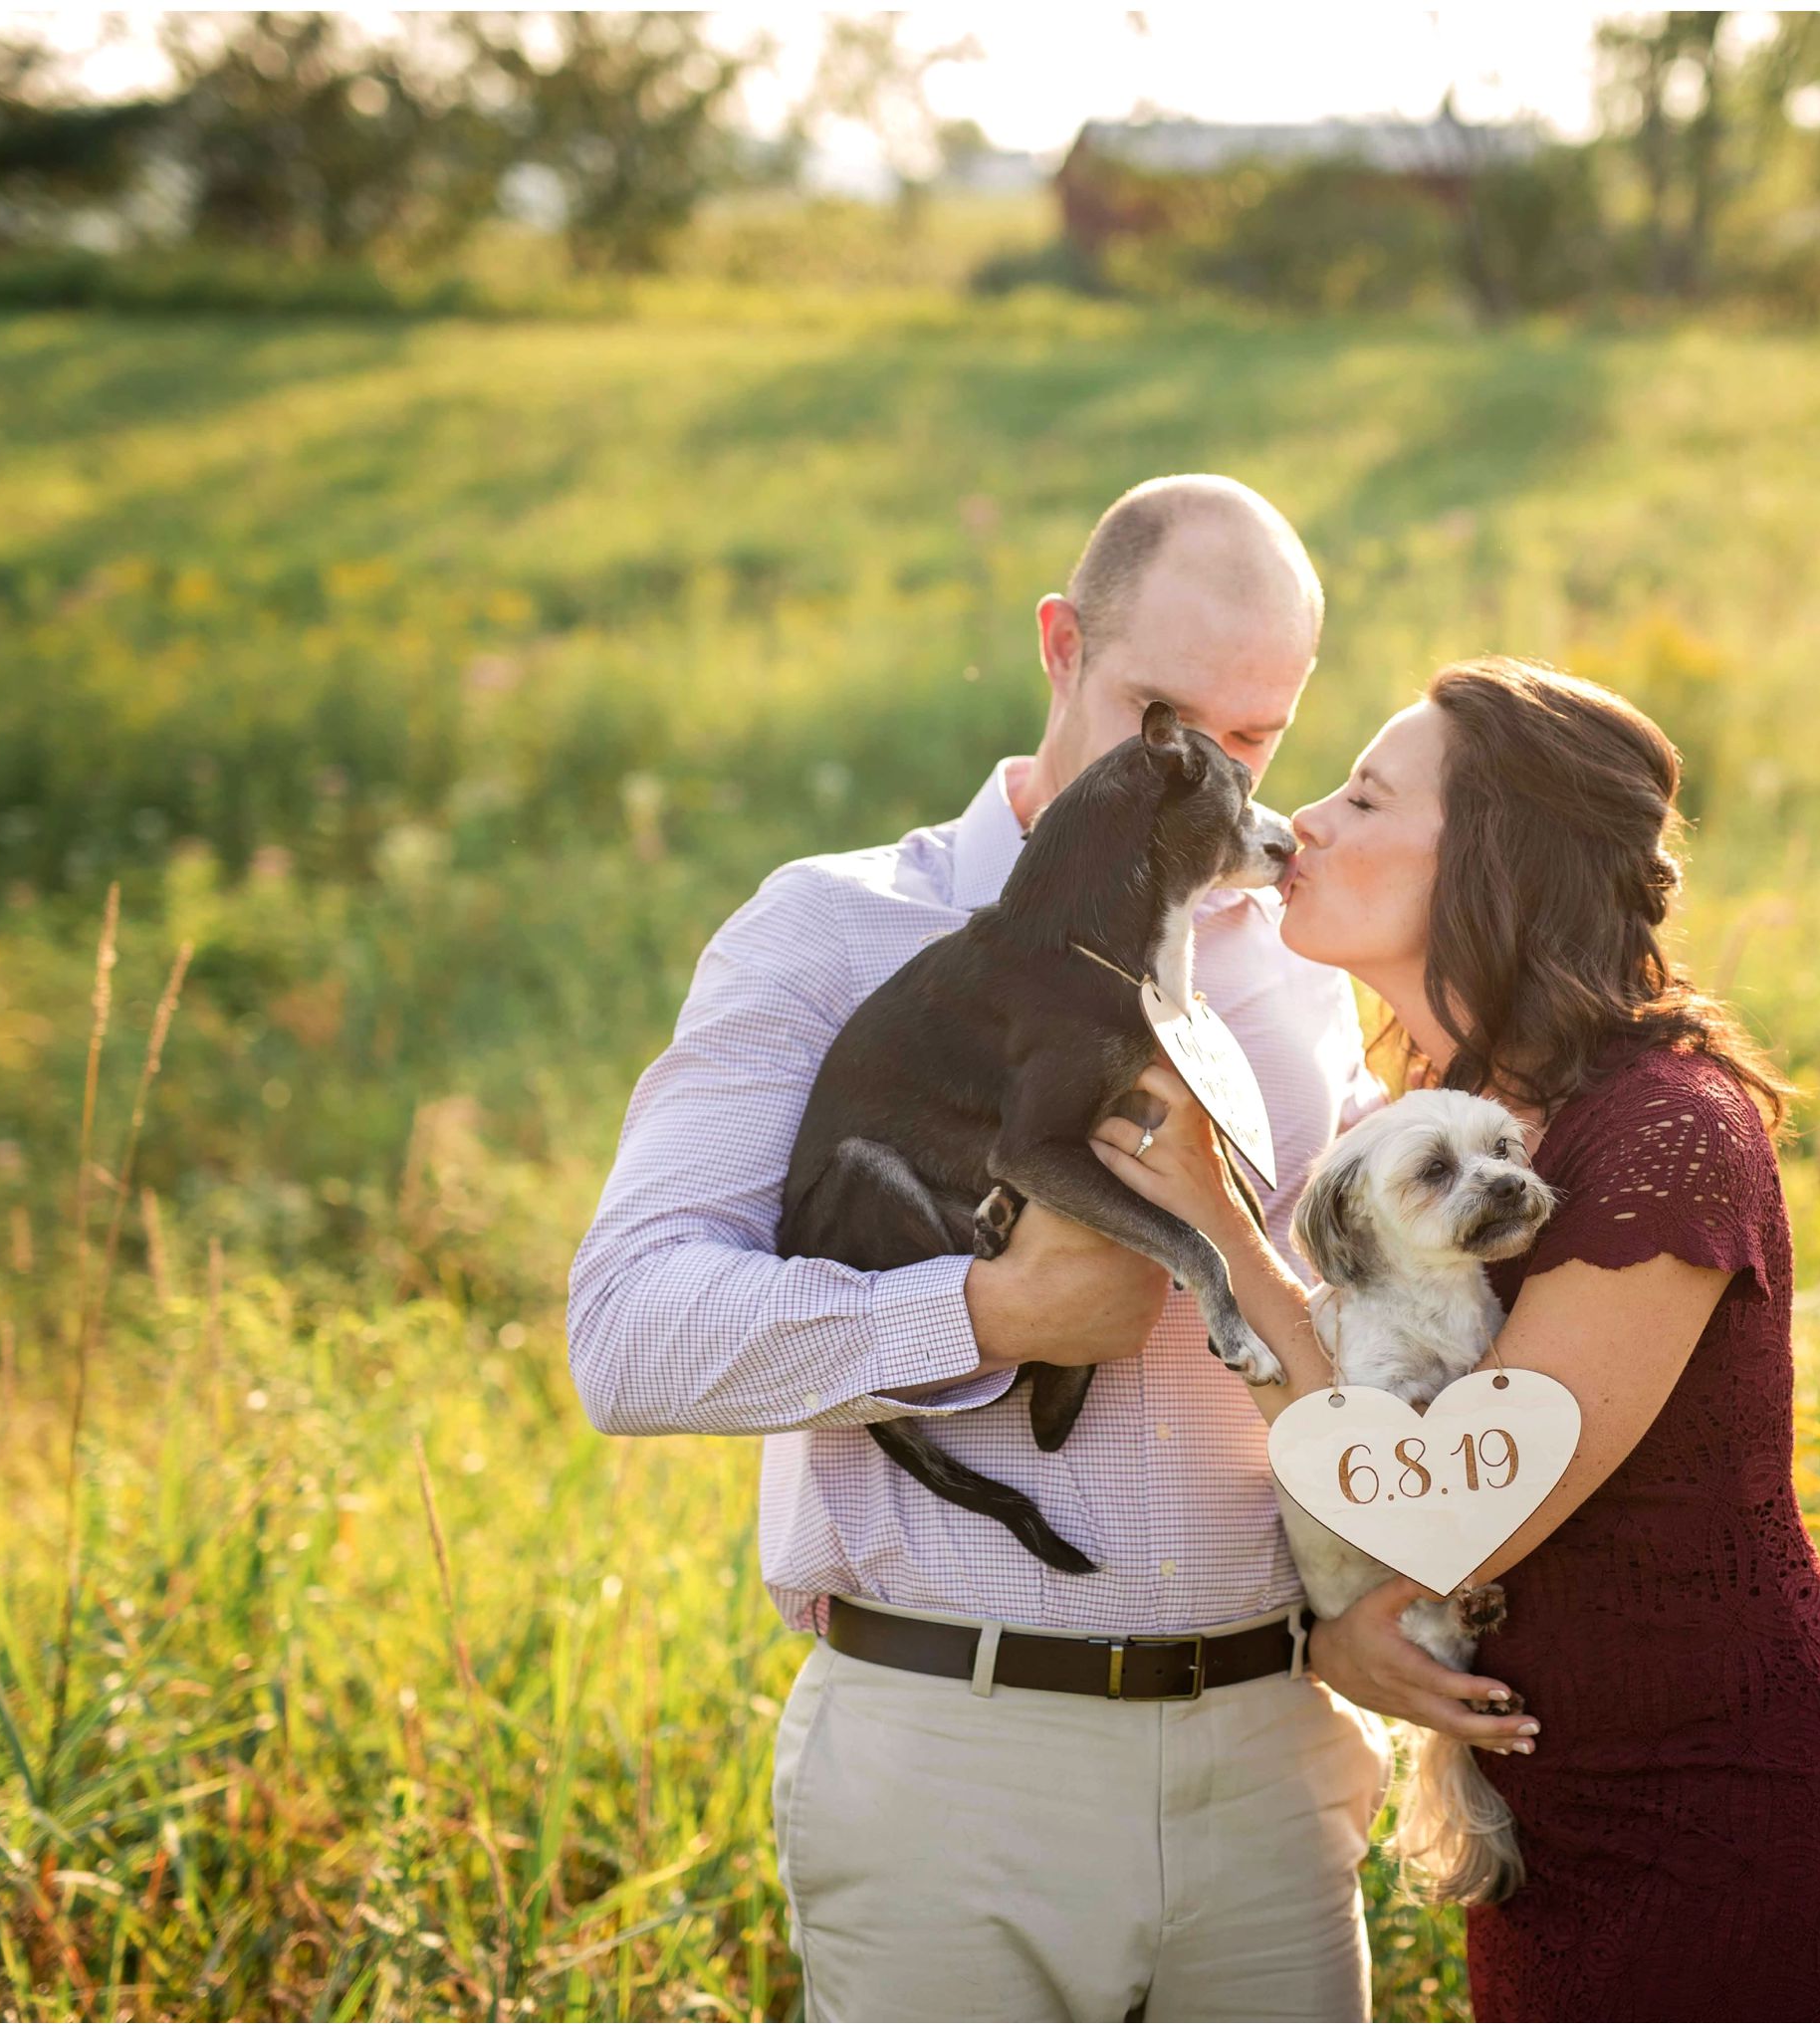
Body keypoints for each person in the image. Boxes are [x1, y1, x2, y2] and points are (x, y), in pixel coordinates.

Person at [568, 474, 1505, 2022]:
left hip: (1272, 1760)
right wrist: (984, 1312)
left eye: (1253, 738)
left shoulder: (1292, 964)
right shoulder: (829, 931)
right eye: (1161, 714)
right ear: (1062, 644)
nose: (1201, 770)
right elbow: (630, 1331)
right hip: (958, 1758)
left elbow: (1346, 1306)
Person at [1091, 656, 1820, 2020]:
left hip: (1720, 1824)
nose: (1302, 821)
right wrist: (1340, 1635)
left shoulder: (1659, 1132)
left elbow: (1458, 1509)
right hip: (1548, 1827)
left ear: (1492, 858)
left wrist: (1221, 1227)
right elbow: (1372, 1447)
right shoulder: (1448, 1121)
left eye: (1362, 798)